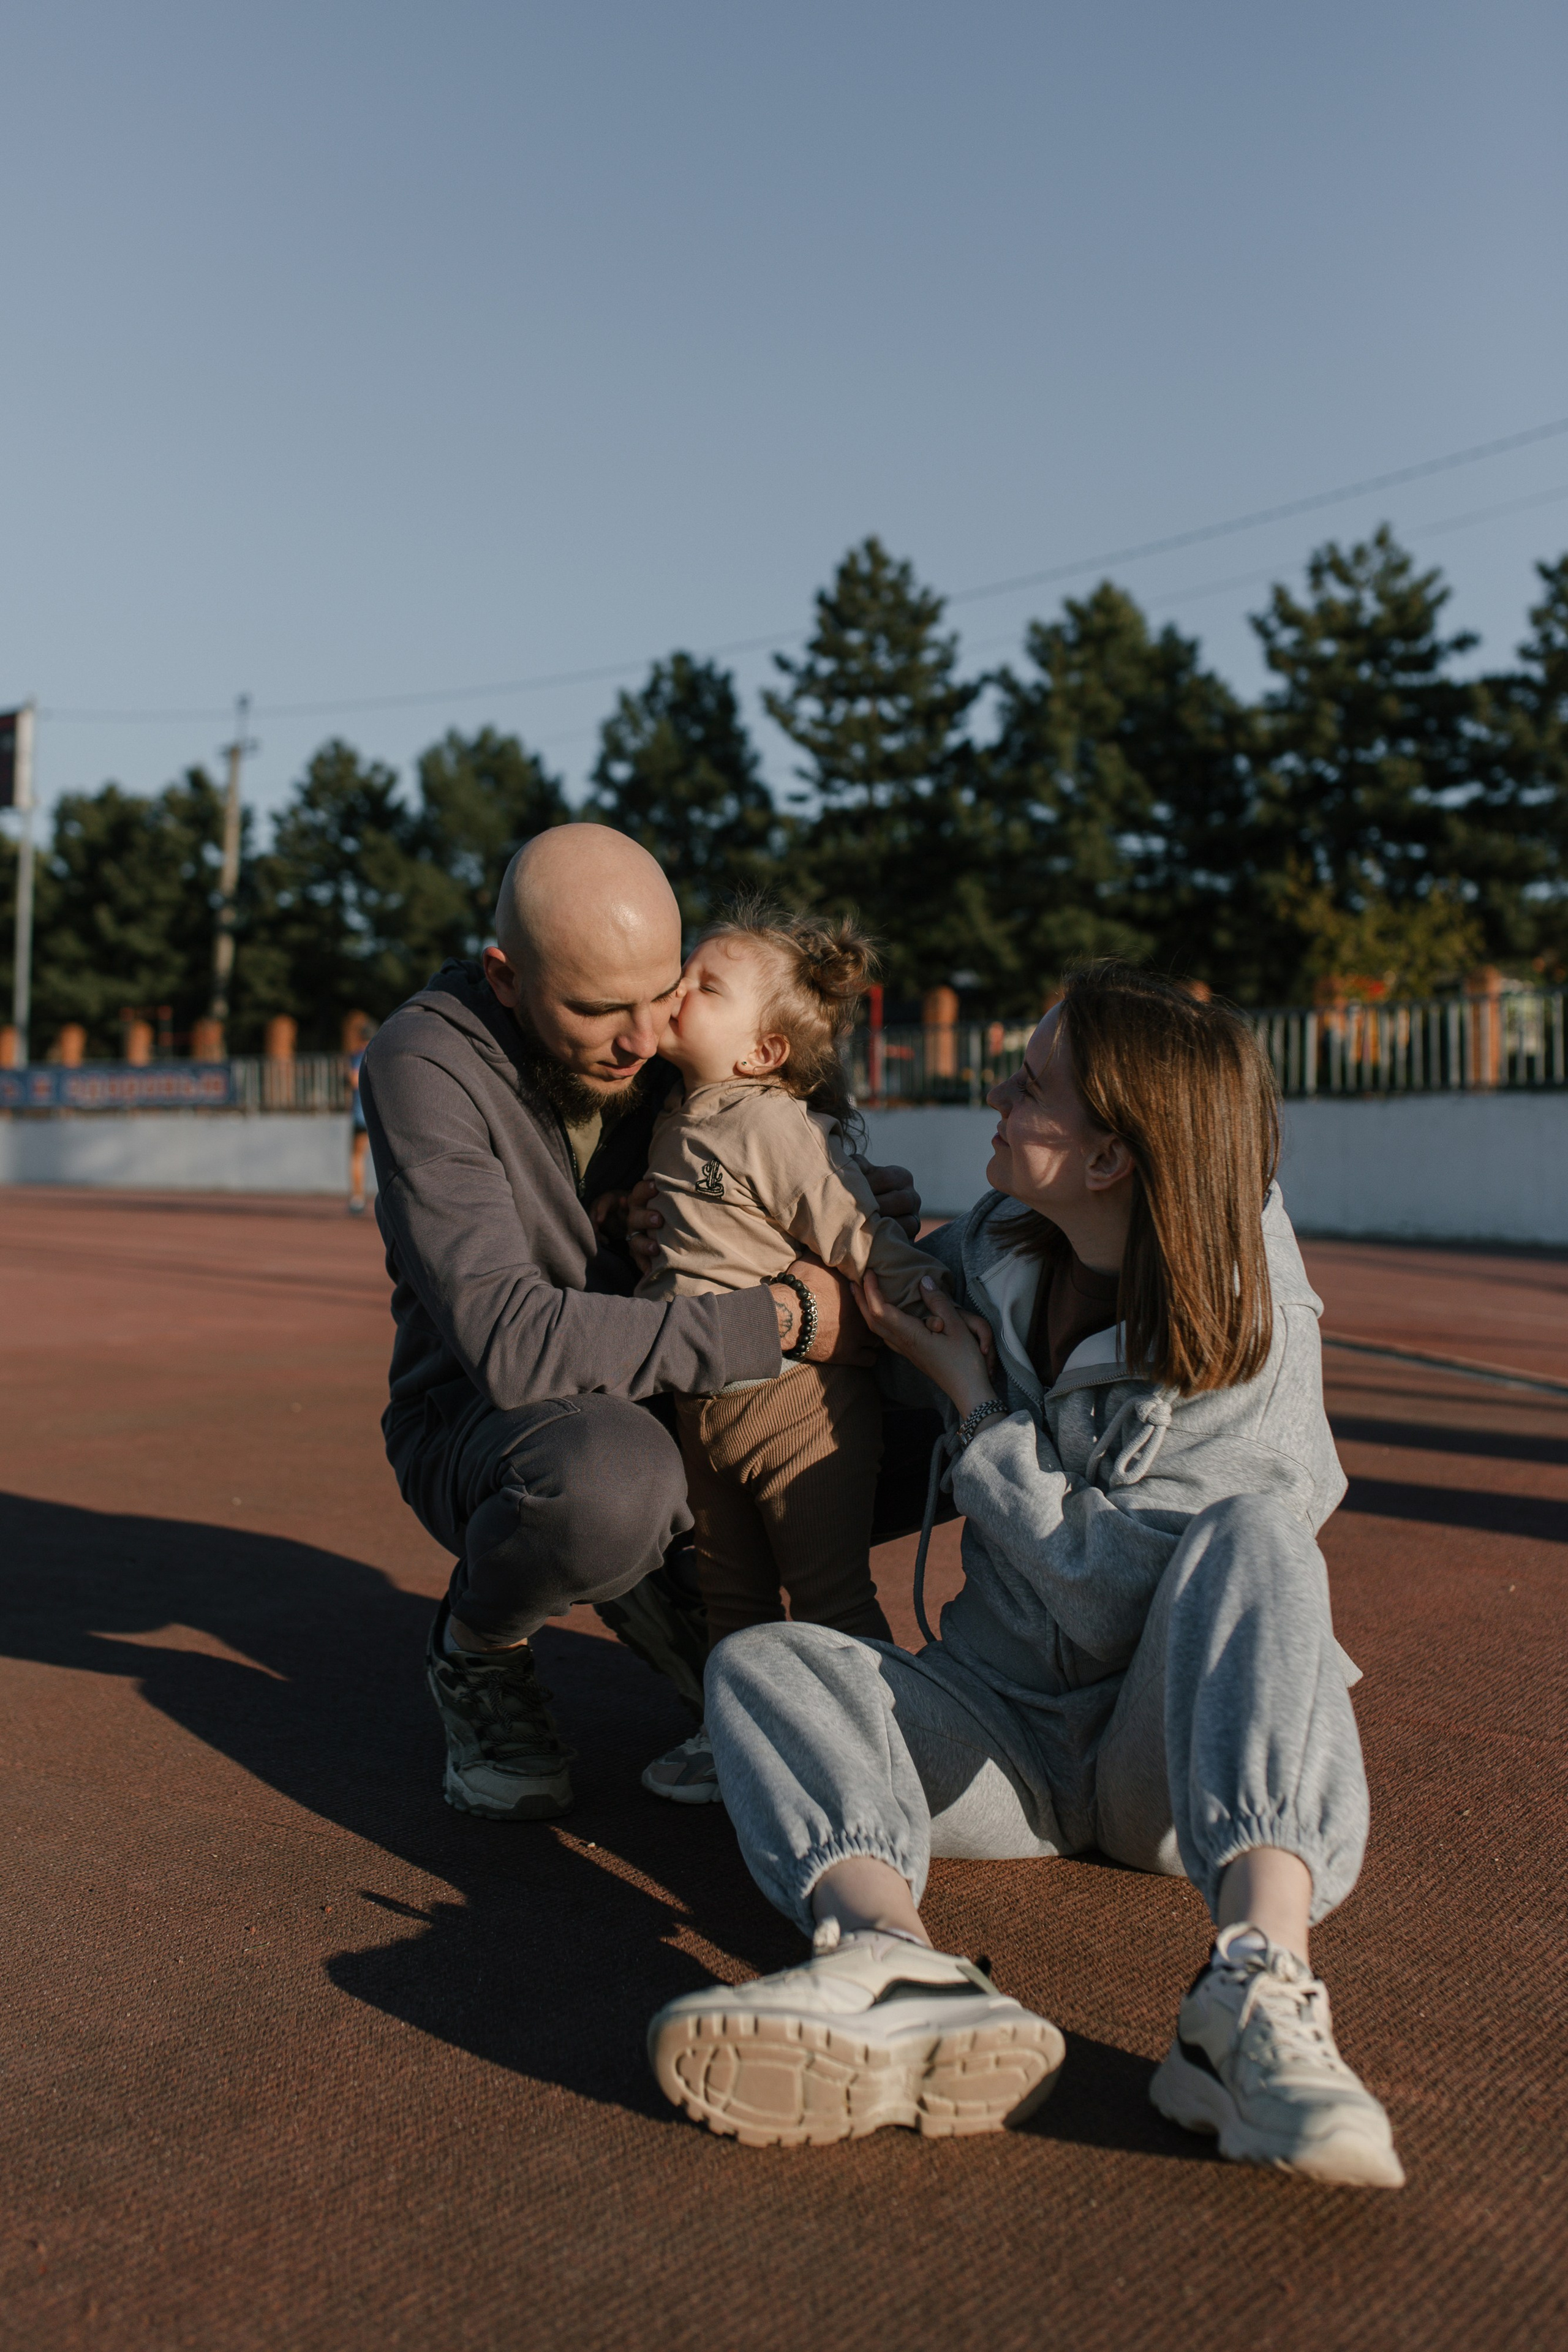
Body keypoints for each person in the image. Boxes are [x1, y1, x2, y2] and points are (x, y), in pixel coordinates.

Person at [648, 962, 1404, 2190]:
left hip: (1161, 1751)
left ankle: (1254, 1990)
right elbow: (883, 1297)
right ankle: (892, 1960)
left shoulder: (1248, 1311)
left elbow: (1112, 1597)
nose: (996, 1091)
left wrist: (978, 1403)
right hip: (1003, 1738)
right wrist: (730, 1224)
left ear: (1108, 1158)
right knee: (765, 1666)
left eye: (1030, 1083)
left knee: (1257, 1539)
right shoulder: (1007, 1234)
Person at [357, 824, 932, 1822]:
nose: (641, 1039)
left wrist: (841, 1202)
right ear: (505, 977)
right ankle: (479, 1644)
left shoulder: (672, 1037)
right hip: (497, 1423)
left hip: (680, 1382)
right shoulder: (423, 1063)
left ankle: (1001, 1680)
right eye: (595, 1010)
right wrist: (784, 1322)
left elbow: (768, 1139)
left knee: (953, 1408)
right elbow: (514, 1343)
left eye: (661, 995)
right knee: (612, 1485)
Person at [632, 899, 985, 1805]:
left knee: (828, 1593)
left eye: (704, 986)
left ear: (762, 1052)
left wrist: (931, 1309)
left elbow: (857, 1232)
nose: (678, 988)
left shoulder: (771, 1123)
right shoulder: (682, 1109)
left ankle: (885, 1755)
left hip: (798, 1406)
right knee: (731, 1596)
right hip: (704, 1403)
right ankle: (735, 1735)